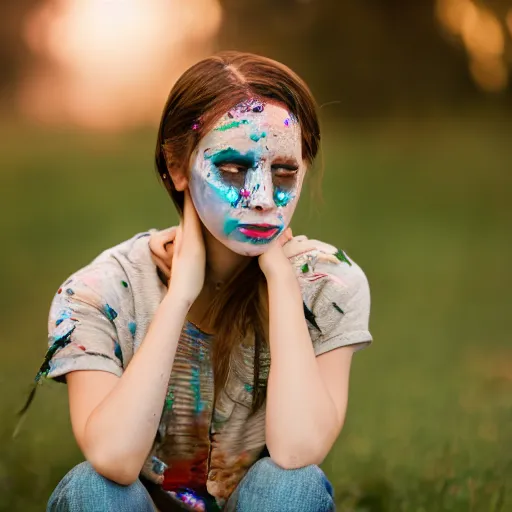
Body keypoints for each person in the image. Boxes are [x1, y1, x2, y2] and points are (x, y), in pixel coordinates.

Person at [33, 51, 373, 511]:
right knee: (93, 487)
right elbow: (113, 458)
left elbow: (297, 452)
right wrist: (180, 297)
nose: (262, 198)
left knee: (291, 484)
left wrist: (282, 281)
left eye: (284, 172)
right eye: (233, 169)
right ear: (177, 168)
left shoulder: (329, 285)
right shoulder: (100, 290)